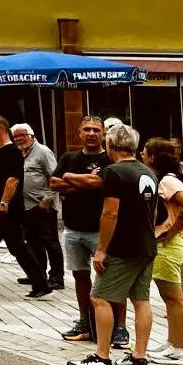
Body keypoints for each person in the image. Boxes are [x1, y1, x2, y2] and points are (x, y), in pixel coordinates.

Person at [67, 124, 159, 365]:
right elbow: (151, 211)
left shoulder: (114, 172)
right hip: (146, 245)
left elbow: (110, 212)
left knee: (100, 297)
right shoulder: (147, 172)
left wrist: (101, 250)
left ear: (110, 145)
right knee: (141, 300)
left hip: (123, 246)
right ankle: (139, 359)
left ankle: (102, 358)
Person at [52, 116, 129, 346]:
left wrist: (71, 179)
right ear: (79, 133)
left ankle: (120, 327)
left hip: (101, 230)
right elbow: (54, 183)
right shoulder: (69, 157)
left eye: (96, 129)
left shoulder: (110, 159)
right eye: (87, 129)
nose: (92, 133)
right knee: (80, 276)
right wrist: (85, 181)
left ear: (104, 133)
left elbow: (101, 184)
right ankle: (85, 321)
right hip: (73, 228)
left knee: (111, 279)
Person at [0, 116, 50, 298]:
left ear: (0, 128)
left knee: (17, 246)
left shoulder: (12, 152)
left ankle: (41, 284)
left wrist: (4, 202)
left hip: (6, 209)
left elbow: (13, 179)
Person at [143, 138, 183, 365]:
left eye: (145, 152)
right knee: (171, 297)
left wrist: (173, 230)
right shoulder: (165, 179)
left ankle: (178, 349)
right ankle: (172, 343)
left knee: (174, 298)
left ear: (153, 157)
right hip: (168, 244)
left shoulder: (167, 181)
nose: (142, 155)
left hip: (168, 246)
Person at [14, 123, 65, 290]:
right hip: (26, 206)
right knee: (32, 241)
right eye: (16, 136)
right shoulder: (19, 153)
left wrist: (47, 199)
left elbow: (55, 177)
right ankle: (38, 273)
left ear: (32, 136)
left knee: (49, 240)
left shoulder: (43, 151)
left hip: (43, 205)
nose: (19, 139)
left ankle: (57, 277)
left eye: (22, 135)